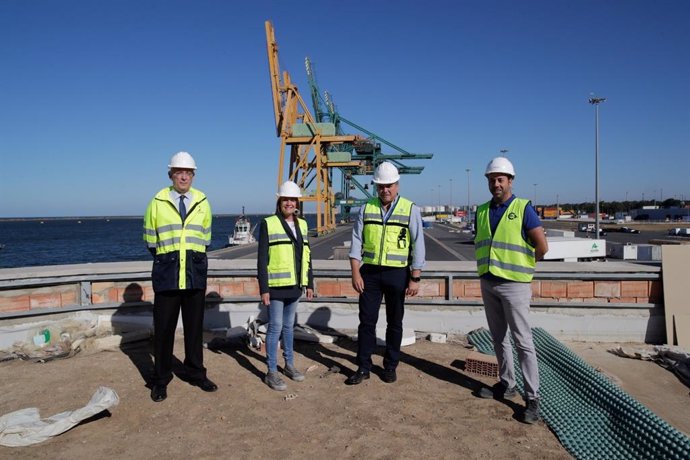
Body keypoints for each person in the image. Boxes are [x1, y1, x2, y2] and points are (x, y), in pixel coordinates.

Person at [474, 156, 548, 424]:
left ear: (510, 181)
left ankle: (532, 399)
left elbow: (542, 246)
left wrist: (525, 268)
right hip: (489, 281)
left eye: (500, 179)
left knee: (523, 341)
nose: (496, 183)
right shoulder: (481, 211)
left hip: (514, 284)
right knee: (498, 338)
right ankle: (507, 383)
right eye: (492, 179)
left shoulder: (523, 208)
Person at [143, 151, 217, 402]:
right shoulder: (157, 201)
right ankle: (160, 379)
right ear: (171, 174)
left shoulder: (203, 201)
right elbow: (151, 241)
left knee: (194, 329)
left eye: (187, 172)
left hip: (194, 273)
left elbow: (205, 239)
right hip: (168, 274)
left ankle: (196, 373)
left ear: (193, 175)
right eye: (179, 172)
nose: (183, 176)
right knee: (164, 331)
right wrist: (169, 260)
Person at [346, 161, 426, 385]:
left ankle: (390, 366)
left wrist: (415, 277)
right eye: (381, 186)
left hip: (397, 274)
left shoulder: (410, 209)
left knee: (395, 322)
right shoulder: (366, 208)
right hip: (369, 274)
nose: (385, 190)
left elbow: (418, 244)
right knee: (366, 322)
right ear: (375, 187)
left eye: (389, 185)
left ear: (397, 185)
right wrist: (355, 273)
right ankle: (363, 366)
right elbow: (355, 242)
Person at [257, 180, 314, 391]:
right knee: (275, 328)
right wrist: (264, 288)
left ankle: (289, 365)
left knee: (289, 327)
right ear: (280, 201)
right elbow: (262, 258)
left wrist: (309, 282)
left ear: (297, 202)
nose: (289, 203)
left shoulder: (303, 225)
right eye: (286, 199)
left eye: (292, 199)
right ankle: (271, 371)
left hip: (295, 286)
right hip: (276, 287)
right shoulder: (268, 223)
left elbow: (306, 256)